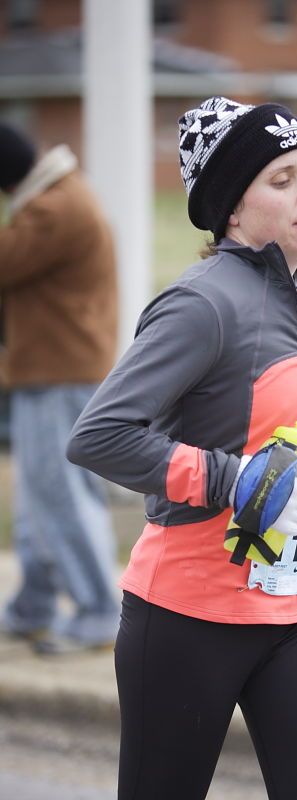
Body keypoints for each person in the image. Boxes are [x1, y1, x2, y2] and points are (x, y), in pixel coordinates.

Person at [67, 96, 297, 799]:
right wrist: (236, 480)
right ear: (231, 205)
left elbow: (253, 411)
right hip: (188, 617)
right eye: (282, 178)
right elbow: (99, 435)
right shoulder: (202, 304)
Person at [0, 123, 120, 653]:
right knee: (37, 500)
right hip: (49, 370)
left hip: (61, 373)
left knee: (63, 498)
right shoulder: (58, 195)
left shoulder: (52, 210)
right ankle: (35, 605)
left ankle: (98, 612)